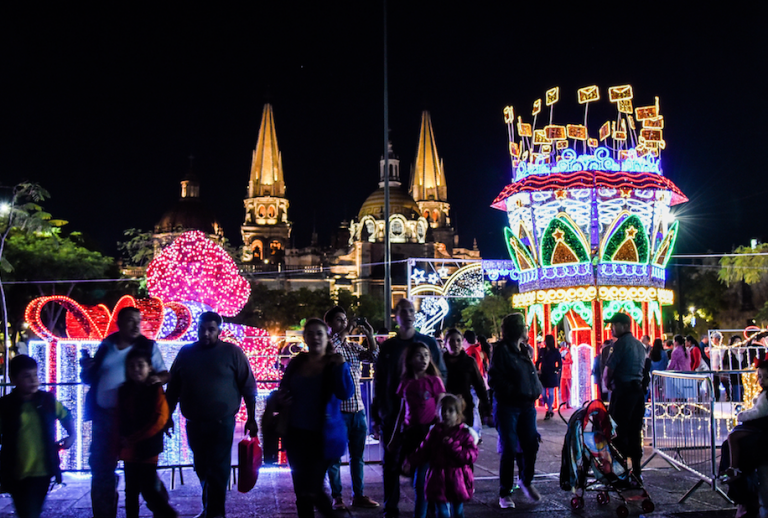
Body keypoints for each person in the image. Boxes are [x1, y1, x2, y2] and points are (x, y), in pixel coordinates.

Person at [165, 311, 258, 518]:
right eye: (202, 329)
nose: (205, 333)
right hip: (194, 422)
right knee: (201, 466)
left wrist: (252, 418)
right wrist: (167, 416)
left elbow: (249, 387)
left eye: (211, 329)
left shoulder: (232, 353)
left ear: (219, 331)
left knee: (217, 467)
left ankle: (215, 513)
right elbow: (173, 388)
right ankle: (210, 508)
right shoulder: (186, 353)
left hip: (222, 422)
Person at [80, 306, 169, 518]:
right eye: (130, 320)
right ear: (119, 323)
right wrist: (87, 368)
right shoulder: (107, 345)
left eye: (139, 320)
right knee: (101, 468)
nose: (136, 324)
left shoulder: (148, 347)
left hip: (136, 420)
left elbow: (165, 374)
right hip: (104, 418)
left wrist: (156, 380)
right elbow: (90, 378)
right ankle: (104, 513)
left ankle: (162, 507)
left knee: (142, 470)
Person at [373, 298, 446, 517]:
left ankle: (428, 506)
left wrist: (439, 409)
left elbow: (440, 374)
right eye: (402, 310)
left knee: (428, 463)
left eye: (410, 310)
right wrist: (379, 414)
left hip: (424, 418)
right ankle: (391, 506)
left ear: (415, 314)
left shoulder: (428, 344)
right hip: (393, 414)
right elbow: (380, 381)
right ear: (396, 316)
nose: (407, 314)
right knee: (391, 462)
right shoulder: (388, 347)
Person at [278, 318, 355, 518]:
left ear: (327, 337)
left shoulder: (333, 363)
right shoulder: (297, 362)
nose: (315, 337)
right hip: (296, 434)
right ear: (305, 338)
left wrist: (342, 367)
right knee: (301, 491)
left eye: (319, 333)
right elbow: (283, 388)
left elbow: (345, 393)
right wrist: (282, 400)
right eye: (310, 333)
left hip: (323, 436)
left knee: (312, 486)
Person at [0, 355, 75, 518]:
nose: (33, 380)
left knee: (30, 511)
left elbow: (65, 415)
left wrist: (72, 435)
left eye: (35, 374)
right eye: (27, 376)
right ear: (13, 379)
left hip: (43, 470)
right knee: (26, 511)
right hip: (16, 471)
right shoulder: (6, 405)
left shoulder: (47, 400)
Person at [323, 306, 380, 510]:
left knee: (358, 457)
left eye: (345, 319)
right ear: (329, 325)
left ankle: (359, 495)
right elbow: (333, 346)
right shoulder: (329, 346)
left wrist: (370, 335)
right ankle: (337, 497)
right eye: (339, 320)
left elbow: (374, 357)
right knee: (334, 458)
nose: (344, 323)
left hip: (358, 410)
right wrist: (346, 331)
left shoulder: (353, 348)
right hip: (339, 412)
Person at [488, 313, 543, 509]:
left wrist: (534, 389)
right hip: (508, 405)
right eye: (523, 326)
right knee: (509, 447)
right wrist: (515, 390)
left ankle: (526, 480)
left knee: (531, 444)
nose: (526, 328)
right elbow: (494, 378)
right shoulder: (502, 350)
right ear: (516, 329)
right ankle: (505, 492)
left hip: (526, 405)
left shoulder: (525, 349)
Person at [388, 342, 445, 518]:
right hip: (411, 434)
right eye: (419, 355)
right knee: (416, 476)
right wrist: (394, 436)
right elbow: (402, 411)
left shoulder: (434, 381)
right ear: (411, 359)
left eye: (426, 355)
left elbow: (442, 408)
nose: (424, 359)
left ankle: (424, 511)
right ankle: (431, 508)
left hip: (429, 434)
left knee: (421, 481)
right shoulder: (406, 383)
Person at [118, 348, 176, 518]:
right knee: (131, 491)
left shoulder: (155, 390)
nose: (136, 369)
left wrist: (132, 438)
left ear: (150, 367)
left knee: (148, 489)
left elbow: (159, 418)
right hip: (130, 449)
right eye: (132, 366)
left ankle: (168, 514)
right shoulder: (124, 390)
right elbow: (119, 417)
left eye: (140, 365)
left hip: (147, 448)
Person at [407, 394, 479, 518]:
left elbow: (470, 455)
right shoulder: (435, 432)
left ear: (458, 414)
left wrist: (453, 445)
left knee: (457, 511)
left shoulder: (464, 434)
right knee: (442, 511)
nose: (446, 413)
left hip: (458, 478)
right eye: (443, 410)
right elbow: (424, 449)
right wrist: (411, 461)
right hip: (438, 477)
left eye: (450, 410)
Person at [602, 313, 647, 481]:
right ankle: (637, 471)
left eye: (614, 325)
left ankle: (620, 471)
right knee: (635, 431)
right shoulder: (639, 345)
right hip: (637, 392)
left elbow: (609, 370)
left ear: (625, 326)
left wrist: (607, 384)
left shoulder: (620, 345)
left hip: (623, 392)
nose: (612, 328)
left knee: (619, 431)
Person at [721, 360, 768, 484]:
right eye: (760, 377)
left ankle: (734, 468)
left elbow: (759, 412)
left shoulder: (766, 395)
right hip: (760, 426)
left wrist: (742, 416)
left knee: (733, 437)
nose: (762, 380)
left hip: (761, 427)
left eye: (765, 377)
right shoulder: (764, 393)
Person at [442, 328, 490, 429]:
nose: (455, 344)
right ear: (445, 343)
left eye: (458, 340)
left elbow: (479, 385)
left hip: (465, 408)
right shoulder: (440, 363)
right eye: (451, 341)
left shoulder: (469, 362)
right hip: (445, 409)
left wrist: (487, 409)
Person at [536, 335, 561, 420]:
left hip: (551, 373)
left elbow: (559, 362)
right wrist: (537, 369)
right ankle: (549, 407)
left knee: (550, 393)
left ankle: (549, 409)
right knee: (542, 394)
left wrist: (556, 370)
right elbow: (538, 360)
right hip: (543, 374)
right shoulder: (542, 350)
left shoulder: (555, 351)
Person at [559, 342, 573, 409]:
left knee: (568, 388)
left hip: (567, 372)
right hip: (563, 372)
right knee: (564, 389)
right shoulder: (561, 352)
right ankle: (565, 403)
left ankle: (567, 403)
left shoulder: (567, 351)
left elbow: (570, 360)